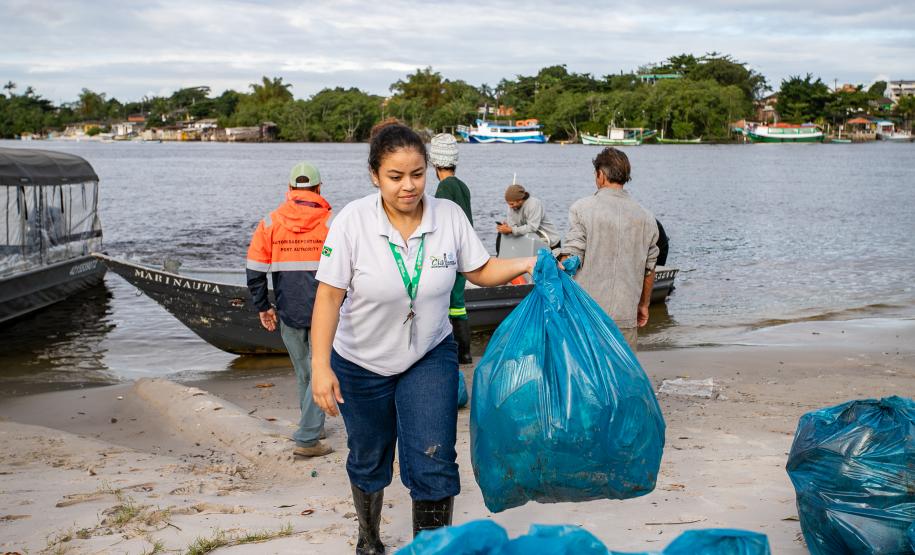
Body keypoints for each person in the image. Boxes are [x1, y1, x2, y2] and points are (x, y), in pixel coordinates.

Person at [310, 120, 535, 554]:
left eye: (417, 174)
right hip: (360, 361)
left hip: (428, 355)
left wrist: (527, 263)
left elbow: (481, 269)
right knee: (369, 457)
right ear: (375, 175)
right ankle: (369, 538)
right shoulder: (352, 222)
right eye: (395, 177)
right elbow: (327, 298)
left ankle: (429, 549)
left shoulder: (447, 216)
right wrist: (320, 367)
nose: (408, 186)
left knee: (434, 457)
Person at [246, 161, 334, 458]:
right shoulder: (332, 223)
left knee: (305, 372)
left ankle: (315, 424)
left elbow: (255, 269)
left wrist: (263, 307)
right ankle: (308, 437)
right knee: (321, 367)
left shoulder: (270, 223)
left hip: (288, 310)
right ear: (319, 189)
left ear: (290, 191)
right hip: (326, 310)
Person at [559, 147, 659, 352]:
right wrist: (643, 305)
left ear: (601, 175)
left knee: (587, 378)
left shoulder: (582, 208)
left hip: (587, 316)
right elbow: (648, 271)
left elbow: (572, 256)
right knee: (621, 377)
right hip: (625, 316)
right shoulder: (647, 218)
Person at [430, 133, 474, 364]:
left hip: (450, 256)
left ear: (434, 163)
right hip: (465, 252)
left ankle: (460, 353)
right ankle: (465, 352)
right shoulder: (462, 186)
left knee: (452, 304)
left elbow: (440, 224)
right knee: (458, 302)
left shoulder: (444, 188)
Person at [496, 184, 561, 252]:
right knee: (501, 233)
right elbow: (512, 225)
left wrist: (511, 230)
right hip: (530, 242)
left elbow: (532, 228)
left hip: (550, 242)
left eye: (512, 204)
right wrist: (506, 228)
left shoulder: (534, 204)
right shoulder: (512, 207)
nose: (510, 207)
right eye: (508, 204)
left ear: (520, 200)